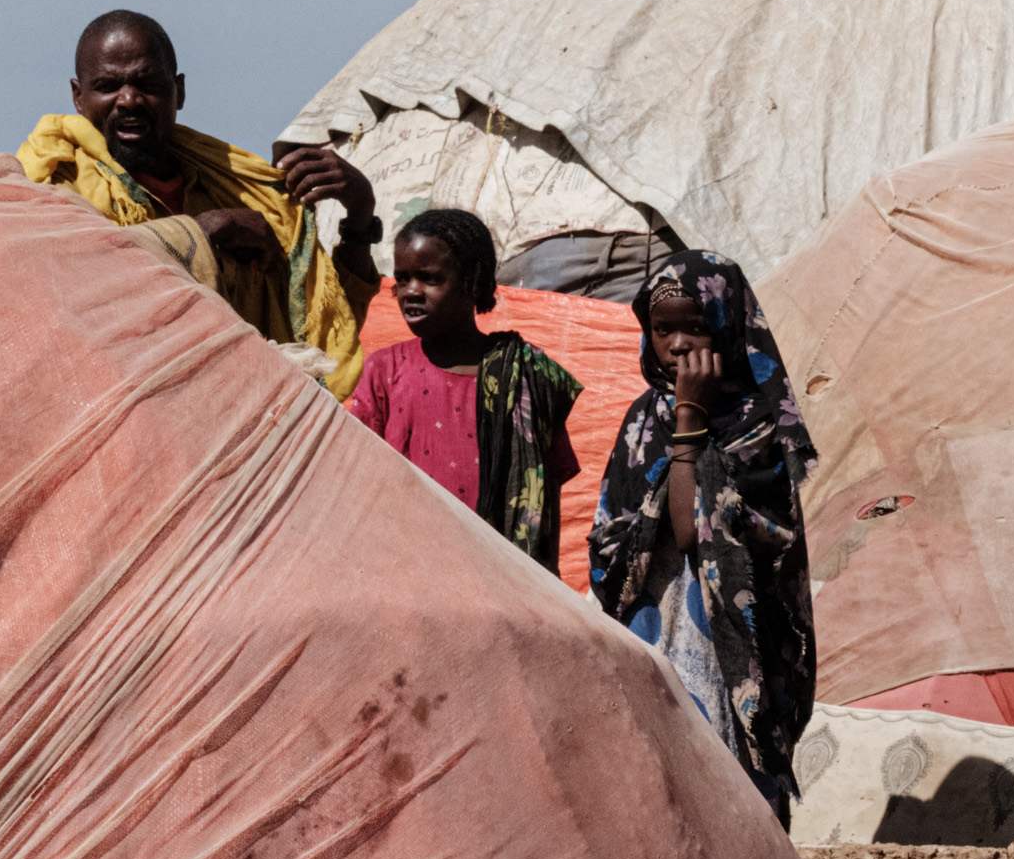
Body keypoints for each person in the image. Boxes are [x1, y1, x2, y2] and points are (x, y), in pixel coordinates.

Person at [586, 251, 818, 818]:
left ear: (726, 323)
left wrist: (691, 422)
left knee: (725, 797)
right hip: (650, 634)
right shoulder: (643, 420)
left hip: (729, 648)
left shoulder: (757, 423)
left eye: (697, 326)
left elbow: (695, 533)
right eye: (663, 329)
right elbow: (609, 544)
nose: (679, 344)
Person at [18, 11, 374, 377]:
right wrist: (202, 233)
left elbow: (321, 333)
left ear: (180, 90)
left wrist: (360, 211)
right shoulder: (51, 189)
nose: (128, 100)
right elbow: (67, 288)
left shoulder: (242, 191)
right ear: (79, 97)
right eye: (108, 86)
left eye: (148, 83)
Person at [341, 206, 584, 573]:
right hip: (405, 567)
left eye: (429, 278)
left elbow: (544, 489)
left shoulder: (525, 374)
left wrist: (546, 578)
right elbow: (355, 475)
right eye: (402, 279)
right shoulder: (385, 371)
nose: (411, 292)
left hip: (502, 573)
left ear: (472, 281)